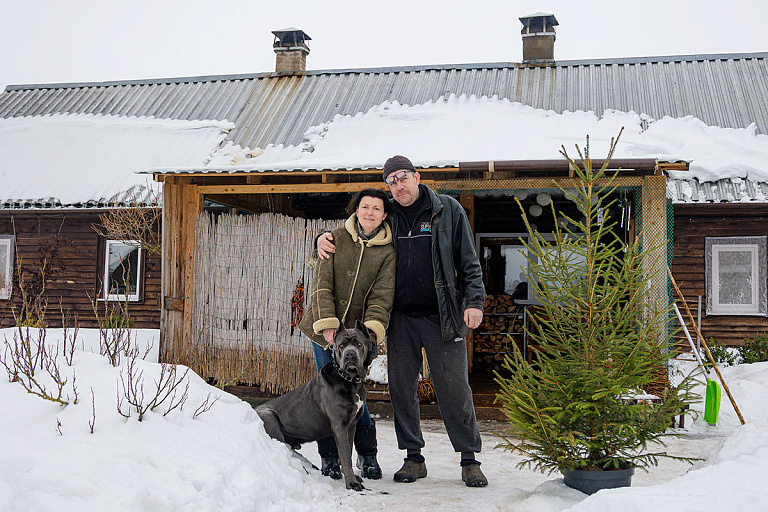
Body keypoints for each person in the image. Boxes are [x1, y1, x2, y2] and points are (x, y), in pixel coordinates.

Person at [317, 155, 488, 487]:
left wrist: (475, 301)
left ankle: (469, 459)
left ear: (417, 176)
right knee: (401, 388)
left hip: (443, 315)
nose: (398, 185)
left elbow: (468, 259)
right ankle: (413, 458)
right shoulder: (388, 215)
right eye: (391, 181)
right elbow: (356, 234)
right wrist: (323, 237)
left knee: (453, 388)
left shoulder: (447, 210)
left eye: (403, 177)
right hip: (400, 319)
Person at [299, 187, 396, 482]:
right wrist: (328, 324)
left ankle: (367, 455)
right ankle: (329, 457)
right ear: (356, 209)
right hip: (323, 332)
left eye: (376, 208)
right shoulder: (335, 239)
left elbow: (382, 295)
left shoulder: (388, 252)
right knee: (328, 396)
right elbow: (321, 283)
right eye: (365, 206)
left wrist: (370, 333)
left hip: (358, 338)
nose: (370, 213)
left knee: (356, 395)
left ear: (384, 215)